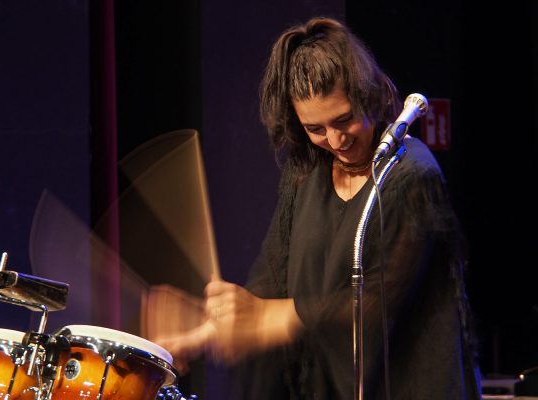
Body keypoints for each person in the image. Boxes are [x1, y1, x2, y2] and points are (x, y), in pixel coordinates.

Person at [156, 16, 481, 399]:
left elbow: (377, 303)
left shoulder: (411, 175)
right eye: (316, 129)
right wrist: (200, 335)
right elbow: (272, 281)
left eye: (343, 119)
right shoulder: (305, 170)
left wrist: (272, 319)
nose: (335, 139)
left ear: (369, 96)